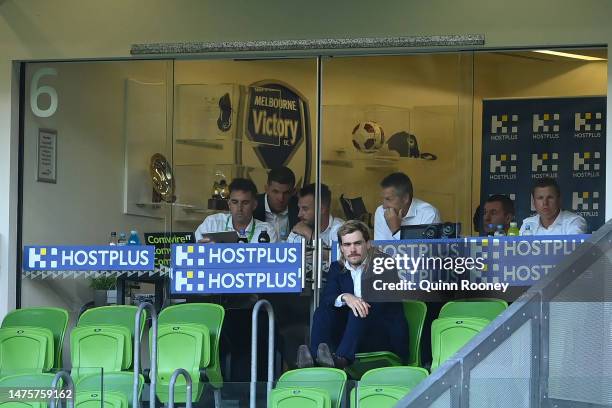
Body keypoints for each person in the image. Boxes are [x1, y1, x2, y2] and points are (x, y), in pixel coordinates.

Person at [296, 220, 409, 369]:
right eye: (347, 245)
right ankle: (315, 357)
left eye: (357, 243)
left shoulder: (384, 263)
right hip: (351, 336)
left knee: (359, 309)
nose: (352, 249)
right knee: (323, 310)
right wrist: (346, 297)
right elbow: (328, 297)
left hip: (381, 335)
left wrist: (355, 301)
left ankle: (341, 360)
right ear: (341, 248)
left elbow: (380, 303)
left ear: (368, 244)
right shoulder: (337, 267)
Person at [195, 178, 278, 243]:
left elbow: (269, 264)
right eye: (235, 202)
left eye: (245, 203)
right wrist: (203, 250)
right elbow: (192, 252)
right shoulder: (212, 223)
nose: (239, 208)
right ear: (229, 204)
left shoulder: (266, 230)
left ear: (254, 205)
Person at [374, 172, 441, 240]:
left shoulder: (428, 213)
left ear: (405, 198)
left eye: (389, 199)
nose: (384, 206)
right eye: (384, 199)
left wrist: (396, 230)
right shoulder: (381, 212)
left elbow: (424, 249)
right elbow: (380, 249)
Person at [520, 177, 587, 235]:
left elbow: (574, 249)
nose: (545, 203)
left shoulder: (573, 222)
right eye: (540, 198)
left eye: (550, 197)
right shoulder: (527, 224)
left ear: (559, 200)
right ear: (533, 202)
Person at [253, 166, 299, 241]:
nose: (281, 198)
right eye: (275, 192)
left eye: (286, 193)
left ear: (293, 192)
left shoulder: (300, 209)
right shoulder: (253, 206)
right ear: (266, 189)